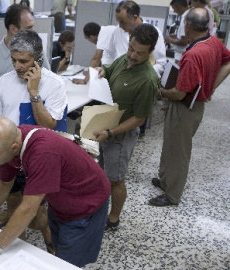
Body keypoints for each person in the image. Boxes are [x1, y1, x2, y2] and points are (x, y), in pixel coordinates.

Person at [0, 116, 110, 267]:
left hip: (85, 207)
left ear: (13, 147)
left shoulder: (42, 153)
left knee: (67, 264)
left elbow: (28, 210)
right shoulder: (15, 141)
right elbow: (4, 183)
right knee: (59, 252)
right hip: (61, 203)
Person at [0, 29, 67, 253]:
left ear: (38, 58)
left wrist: (33, 91)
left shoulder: (54, 84)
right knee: (12, 204)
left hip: (37, 158)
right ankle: (17, 250)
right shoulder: (4, 82)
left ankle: (46, 232)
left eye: (23, 61)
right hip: (9, 156)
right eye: (13, 60)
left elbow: (48, 124)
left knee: (34, 215)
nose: (17, 66)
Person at [78, 24, 159, 230]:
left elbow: (140, 118)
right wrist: (102, 70)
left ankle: (113, 219)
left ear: (150, 52)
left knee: (115, 179)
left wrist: (110, 133)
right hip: (105, 124)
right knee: (99, 173)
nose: (132, 55)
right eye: (131, 48)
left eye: (140, 53)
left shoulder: (147, 80)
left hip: (120, 135)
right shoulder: (124, 59)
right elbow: (111, 69)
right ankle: (97, 209)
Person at [0, 4, 51, 228]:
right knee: (9, 189)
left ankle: (30, 222)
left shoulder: (37, 53)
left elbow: (46, 82)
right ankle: (12, 220)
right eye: (28, 27)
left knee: (35, 197)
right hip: (6, 140)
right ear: (13, 29)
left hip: (32, 137)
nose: (34, 32)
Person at [149, 8, 230, 206]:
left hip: (185, 108)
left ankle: (172, 194)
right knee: (171, 144)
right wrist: (210, 89)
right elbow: (228, 62)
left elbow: (178, 93)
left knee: (178, 151)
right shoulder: (213, 42)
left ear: (188, 26)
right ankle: (166, 181)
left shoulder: (193, 55)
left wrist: (161, 92)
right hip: (195, 104)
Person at [108, 1, 166, 77]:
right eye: (118, 22)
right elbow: (110, 54)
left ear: (135, 18)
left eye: (123, 22)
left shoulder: (153, 33)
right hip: (119, 76)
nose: (120, 26)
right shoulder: (118, 30)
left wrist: (141, 74)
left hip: (141, 79)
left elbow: (161, 64)